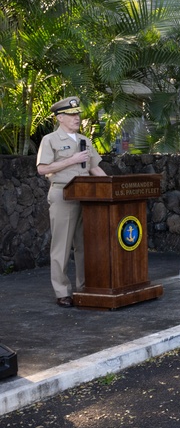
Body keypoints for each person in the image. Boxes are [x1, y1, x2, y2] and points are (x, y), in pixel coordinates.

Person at [36, 96, 107, 307]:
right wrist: (72, 160)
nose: (77, 118)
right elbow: (42, 169)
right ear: (60, 118)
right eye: (72, 114)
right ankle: (62, 292)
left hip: (87, 197)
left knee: (85, 245)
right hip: (63, 195)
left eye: (77, 114)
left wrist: (112, 186)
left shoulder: (85, 140)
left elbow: (95, 168)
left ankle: (85, 287)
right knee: (62, 246)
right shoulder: (50, 140)